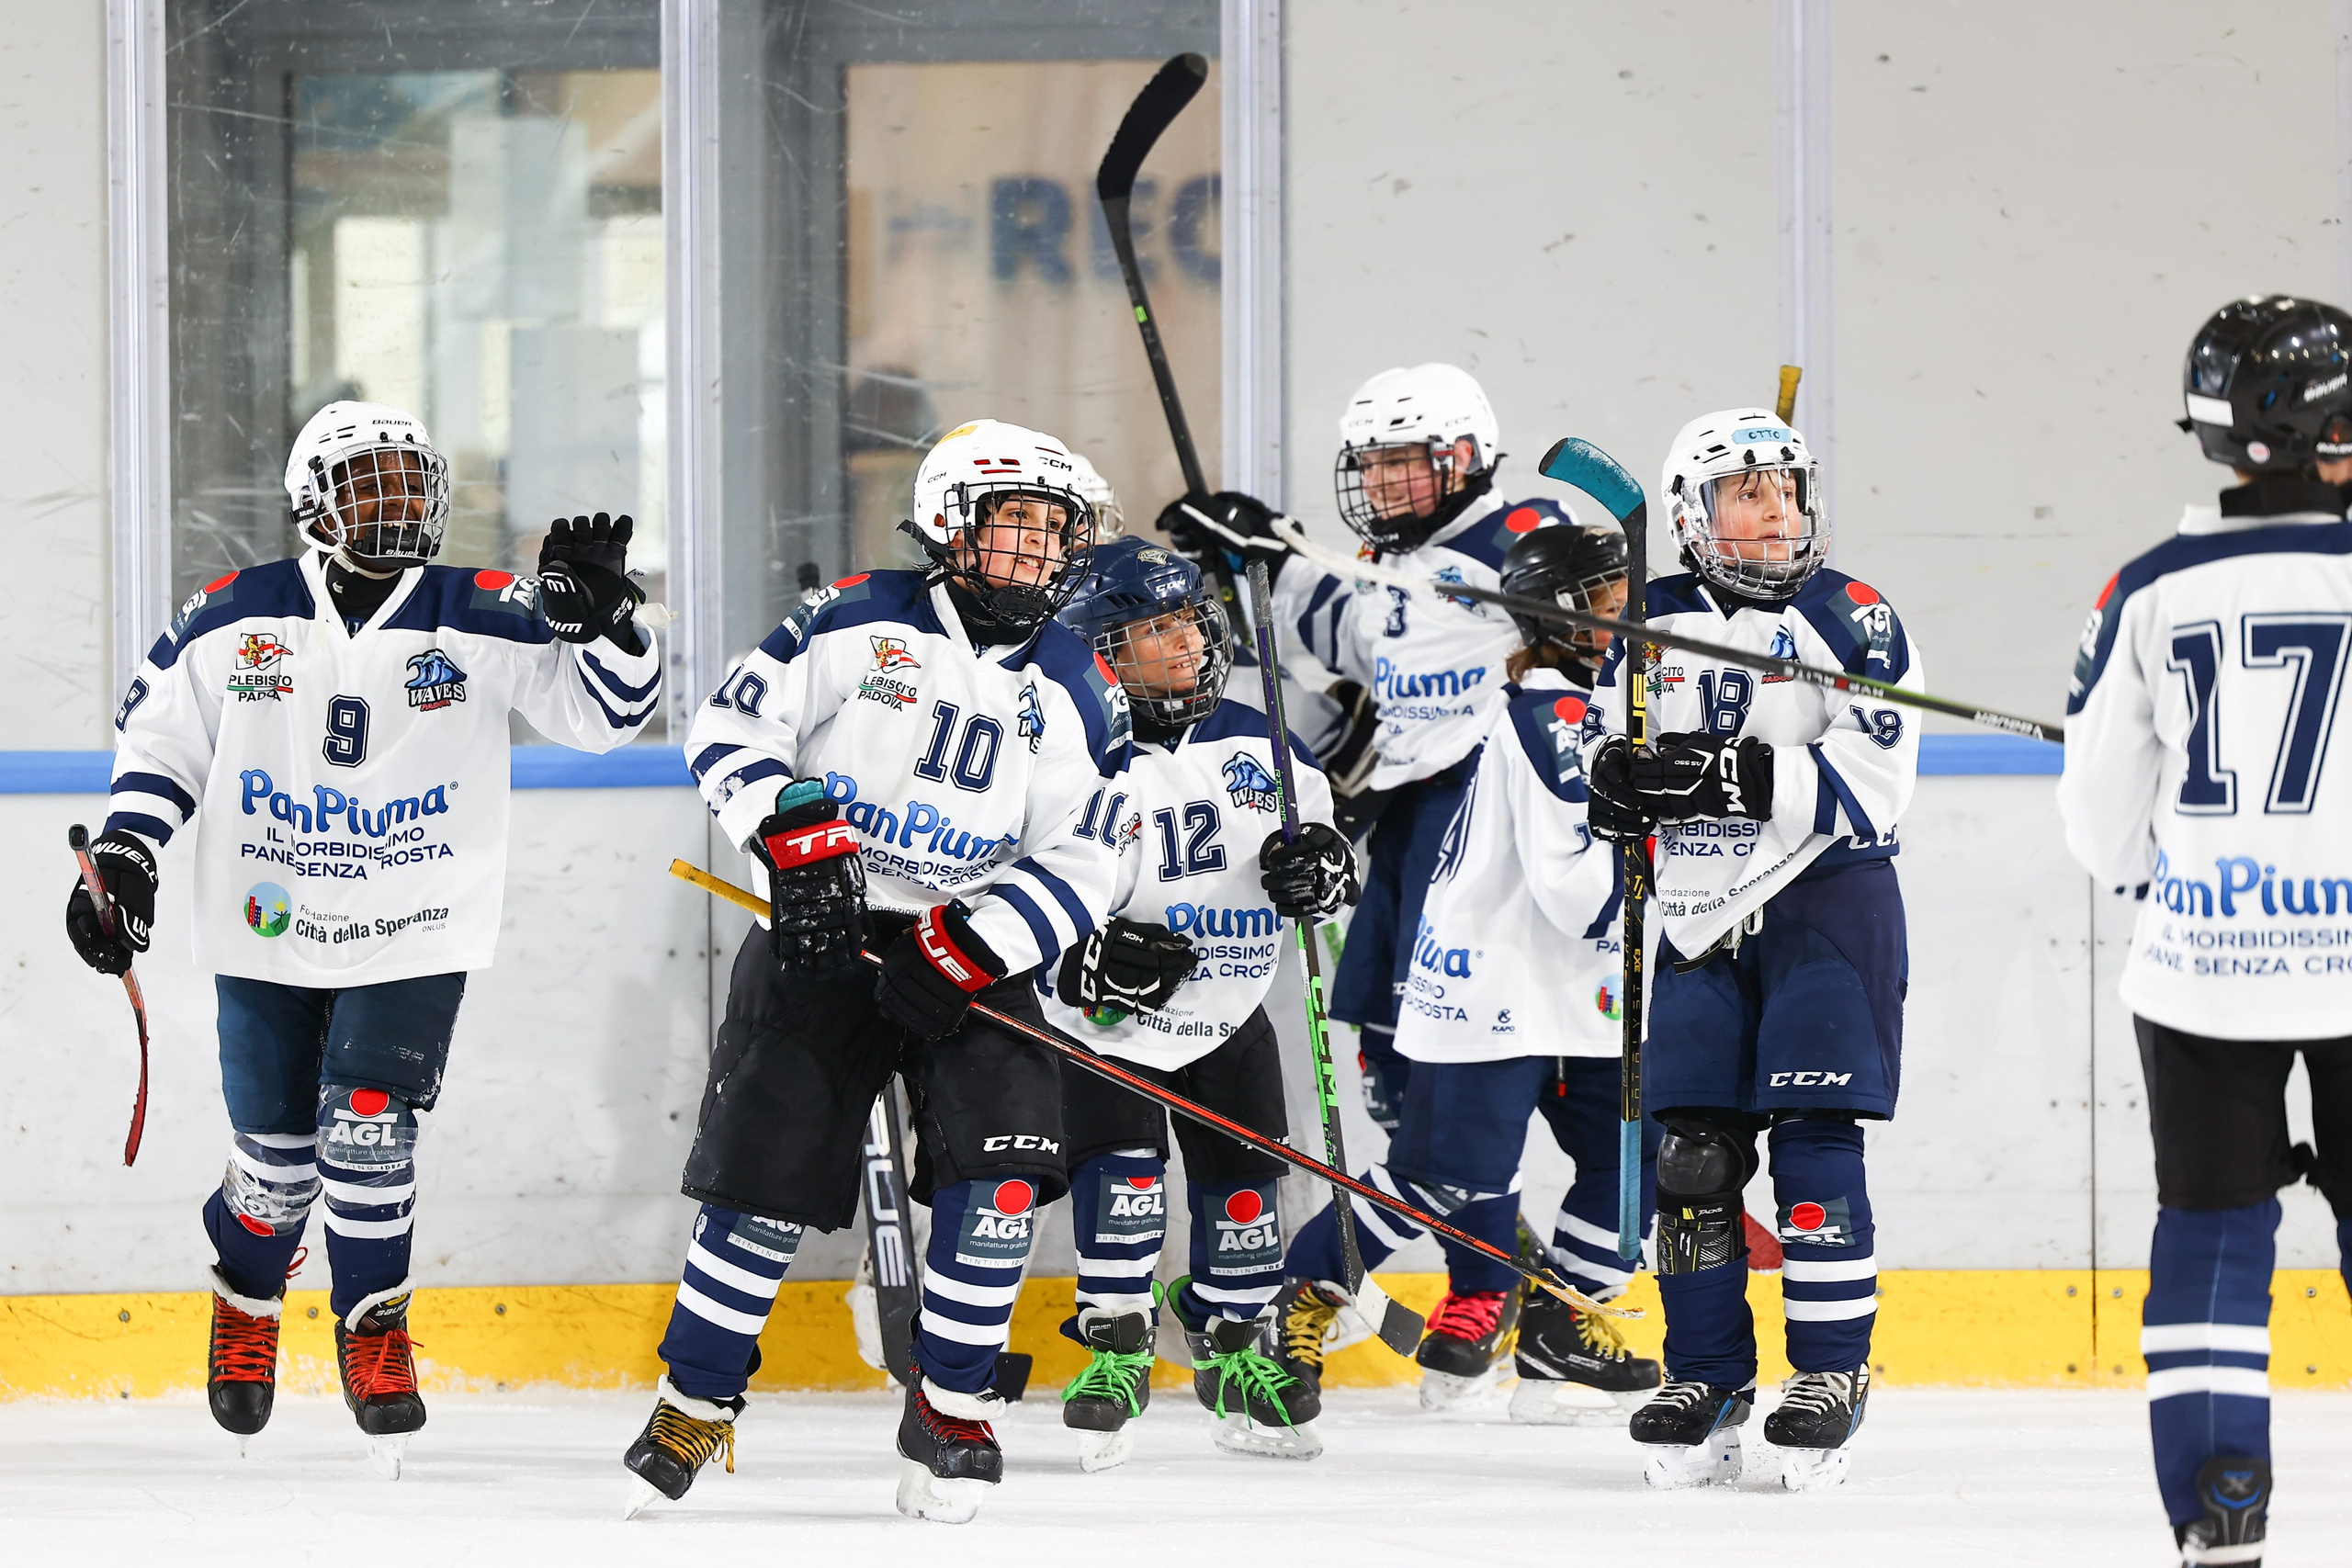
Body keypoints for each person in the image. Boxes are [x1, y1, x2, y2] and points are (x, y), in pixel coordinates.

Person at [67, 400, 661, 1475]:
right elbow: (158, 742)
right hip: (268, 922)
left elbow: (607, 716)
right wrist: (128, 856)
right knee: (277, 1171)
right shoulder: (235, 612)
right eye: (369, 483)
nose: (396, 503)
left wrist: (610, 621)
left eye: (410, 482)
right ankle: (247, 1290)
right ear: (313, 503)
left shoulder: (483, 607)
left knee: (371, 1132)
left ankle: (372, 1325)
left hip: (415, 916)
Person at [620, 419, 1135, 1526]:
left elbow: (1092, 853)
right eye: (1016, 526)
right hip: (824, 934)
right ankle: (696, 1397)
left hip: (972, 952)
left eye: (1055, 531)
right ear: (951, 522)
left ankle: (948, 1405)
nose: (1039, 552)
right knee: (758, 1191)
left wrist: (975, 946)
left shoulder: (1079, 683)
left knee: (998, 1188)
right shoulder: (858, 615)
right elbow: (727, 734)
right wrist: (795, 845)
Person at [2059, 294, 2352, 1568]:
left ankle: (2220, 1494)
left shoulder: (2147, 590)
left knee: (2215, 1231)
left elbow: (2100, 827)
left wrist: (2180, 873)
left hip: (2203, 975)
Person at [1579, 409, 1919, 1493]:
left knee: (1817, 1148)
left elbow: (1874, 791)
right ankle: (1708, 1373)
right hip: (1692, 913)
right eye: (1748, 493)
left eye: (1788, 491)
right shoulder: (1649, 619)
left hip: (1823, 902)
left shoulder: (1852, 617)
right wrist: (1614, 783)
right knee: (1692, 1164)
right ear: (1692, 516)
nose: (1778, 512)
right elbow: (1607, 751)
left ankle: (1828, 1373)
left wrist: (1729, 775)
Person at [1267, 516, 1663, 1414]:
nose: (1629, 618)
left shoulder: (1600, 703)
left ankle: (1562, 1325)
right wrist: (1665, 853)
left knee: (1644, 1160)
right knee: (1438, 1182)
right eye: (1607, 606)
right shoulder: (1549, 714)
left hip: (1578, 991)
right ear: (1555, 620)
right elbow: (1575, 889)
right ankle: (1298, 1293)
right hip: (1493, 984)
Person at [1164, 366, 1560, 1218]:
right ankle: (1495, 1258)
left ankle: (1489, 1281)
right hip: (1410, 818)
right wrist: (1271, 559)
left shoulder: (1527, 535)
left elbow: (1598, 648)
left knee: (1461, 1061)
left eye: (1399, 461)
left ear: (1461, 457)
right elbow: (1356, 643)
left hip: (1492, 823)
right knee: (1392, 1066)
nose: (1377, 481)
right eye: (1368, 464)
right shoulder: (1393, 561)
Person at [1040, 536, 1356, 1469]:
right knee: (1126, 1182)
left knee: (1246, 1192)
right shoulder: (1070, 751)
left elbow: (1323, 834)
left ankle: (1234, 1343)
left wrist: (1319, 868)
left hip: (1228, 1009)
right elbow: (1023, 879)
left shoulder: (1259, 741)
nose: (1180, 643)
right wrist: (1080, 958)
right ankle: (1118, 1344)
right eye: (1150, 630)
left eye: (1186, 621)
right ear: (1100, 650)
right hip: (1107, 1022)